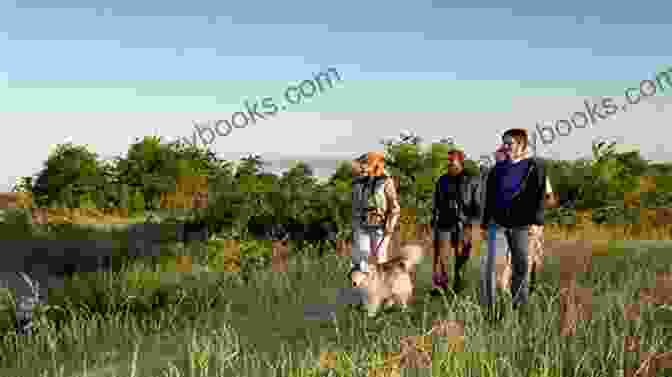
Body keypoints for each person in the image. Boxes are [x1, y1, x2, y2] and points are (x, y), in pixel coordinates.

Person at [480, 128, 547, 316]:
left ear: (522, 145)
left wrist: (537, 222)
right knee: (492, 268)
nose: (506, 147)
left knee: (521, 267)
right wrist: (485, 224)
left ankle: (520, 310)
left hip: (522, 225)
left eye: (510, 143)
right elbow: (489, 199)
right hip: (498, 224)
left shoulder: (535, 166)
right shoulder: (497, 170)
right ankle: (490, 312)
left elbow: (539, 196)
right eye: (504, 143)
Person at [430, 143, 482, 296]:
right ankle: (441, 287)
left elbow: (477, 204)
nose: (449, 163)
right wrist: (434, 218)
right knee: (440, 257)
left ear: (460, 161)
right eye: (448, 161)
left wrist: (472, 224)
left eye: (452, 160)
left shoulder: (472, 180)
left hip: (464, 224)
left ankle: (459, 289)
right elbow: (436, 202)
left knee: (462, 259)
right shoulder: (442, 180)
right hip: (444, 223)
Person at [350, 152, 401, 284]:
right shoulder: (358, 182)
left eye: (365, 164)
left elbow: (394, 207)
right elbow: (355, 206)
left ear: (374, 164)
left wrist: (389, 227)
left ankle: (383, 291)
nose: (362, 167)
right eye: (361, 164)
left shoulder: (386, 181)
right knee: (361, 258)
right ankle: (364, 294)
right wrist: (355, 227)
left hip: (381, 225)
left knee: (380, 258)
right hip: (361, 225)